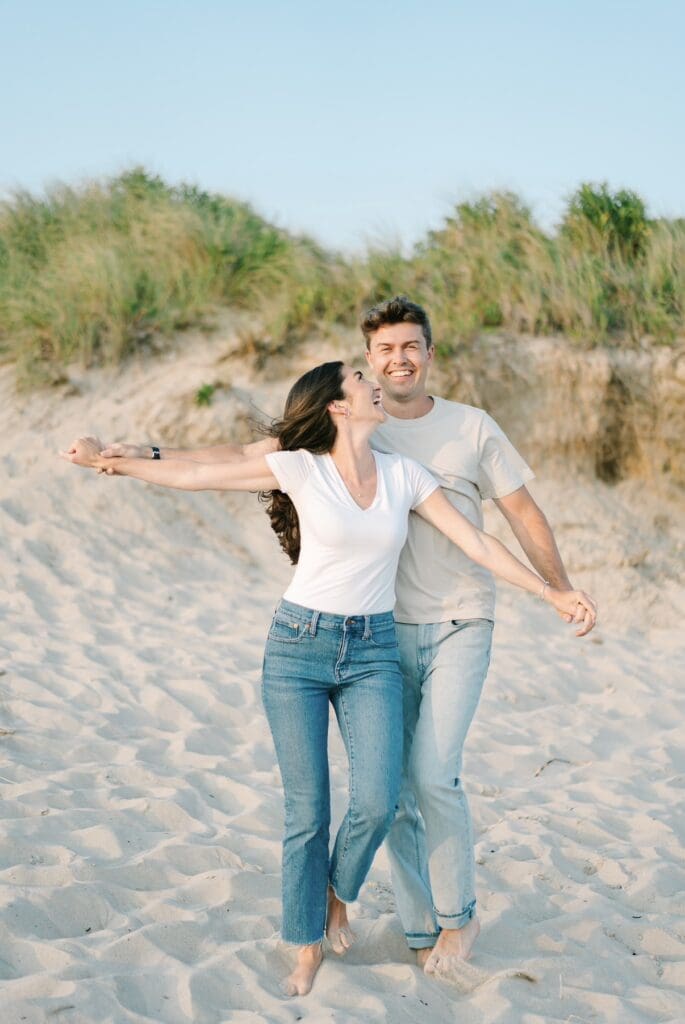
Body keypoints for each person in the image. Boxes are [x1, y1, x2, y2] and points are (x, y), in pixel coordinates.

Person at [81, 339, 597, 986]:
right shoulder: (302, 468)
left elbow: (477, 541)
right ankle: (304, 944)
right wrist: (119, 462)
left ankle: (337, 894)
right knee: (308, 810)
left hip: (373, 652)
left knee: (378, 797)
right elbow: (201, 471)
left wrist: (549, 591)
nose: (374, 378)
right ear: (337, 407)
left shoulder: (405, 477)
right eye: (360, 377)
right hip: (297, 648)